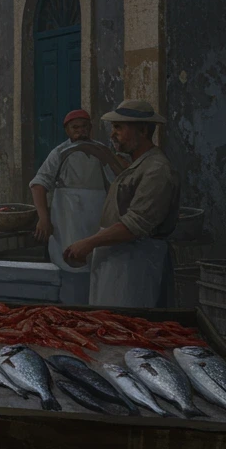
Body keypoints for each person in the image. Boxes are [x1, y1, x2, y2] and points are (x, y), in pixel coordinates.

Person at [63, 99, 180, 308]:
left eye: (118, 127)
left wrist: (88, 243)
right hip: (118, 265)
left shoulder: (157, 170)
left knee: (130, 329)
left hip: (137, 267)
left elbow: (135, 224)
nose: (112, 134)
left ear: (143, 130)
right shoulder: (137, 164)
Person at [29, 109, 120, 268]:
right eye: (75, 127)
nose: (80, 131)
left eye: (84, 126)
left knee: (96, 260)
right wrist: (43, 219)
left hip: (96, 215)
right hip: (67, 217)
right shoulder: (59, 153)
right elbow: (38, 185)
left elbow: (117, 182)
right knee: (68, 260)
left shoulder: (101, 151)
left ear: (90, 128)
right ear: (67, 130)